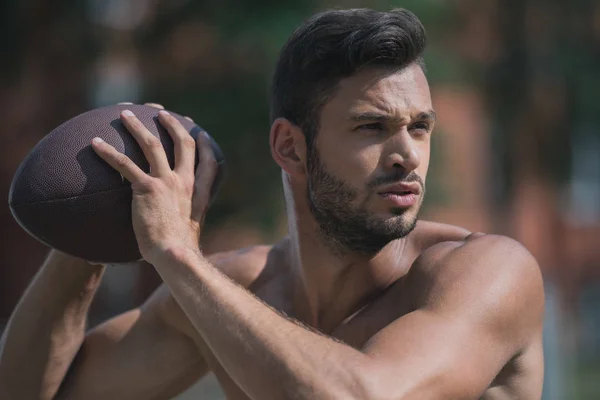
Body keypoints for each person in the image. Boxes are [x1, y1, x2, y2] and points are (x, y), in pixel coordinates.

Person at [0, 8, 545, 400]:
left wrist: (176, 252)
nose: (407, 155)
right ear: (290, 147)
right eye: (372, 127)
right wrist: (94, 218)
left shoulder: (487, 272)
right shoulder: (236, 290)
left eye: (420, 128)